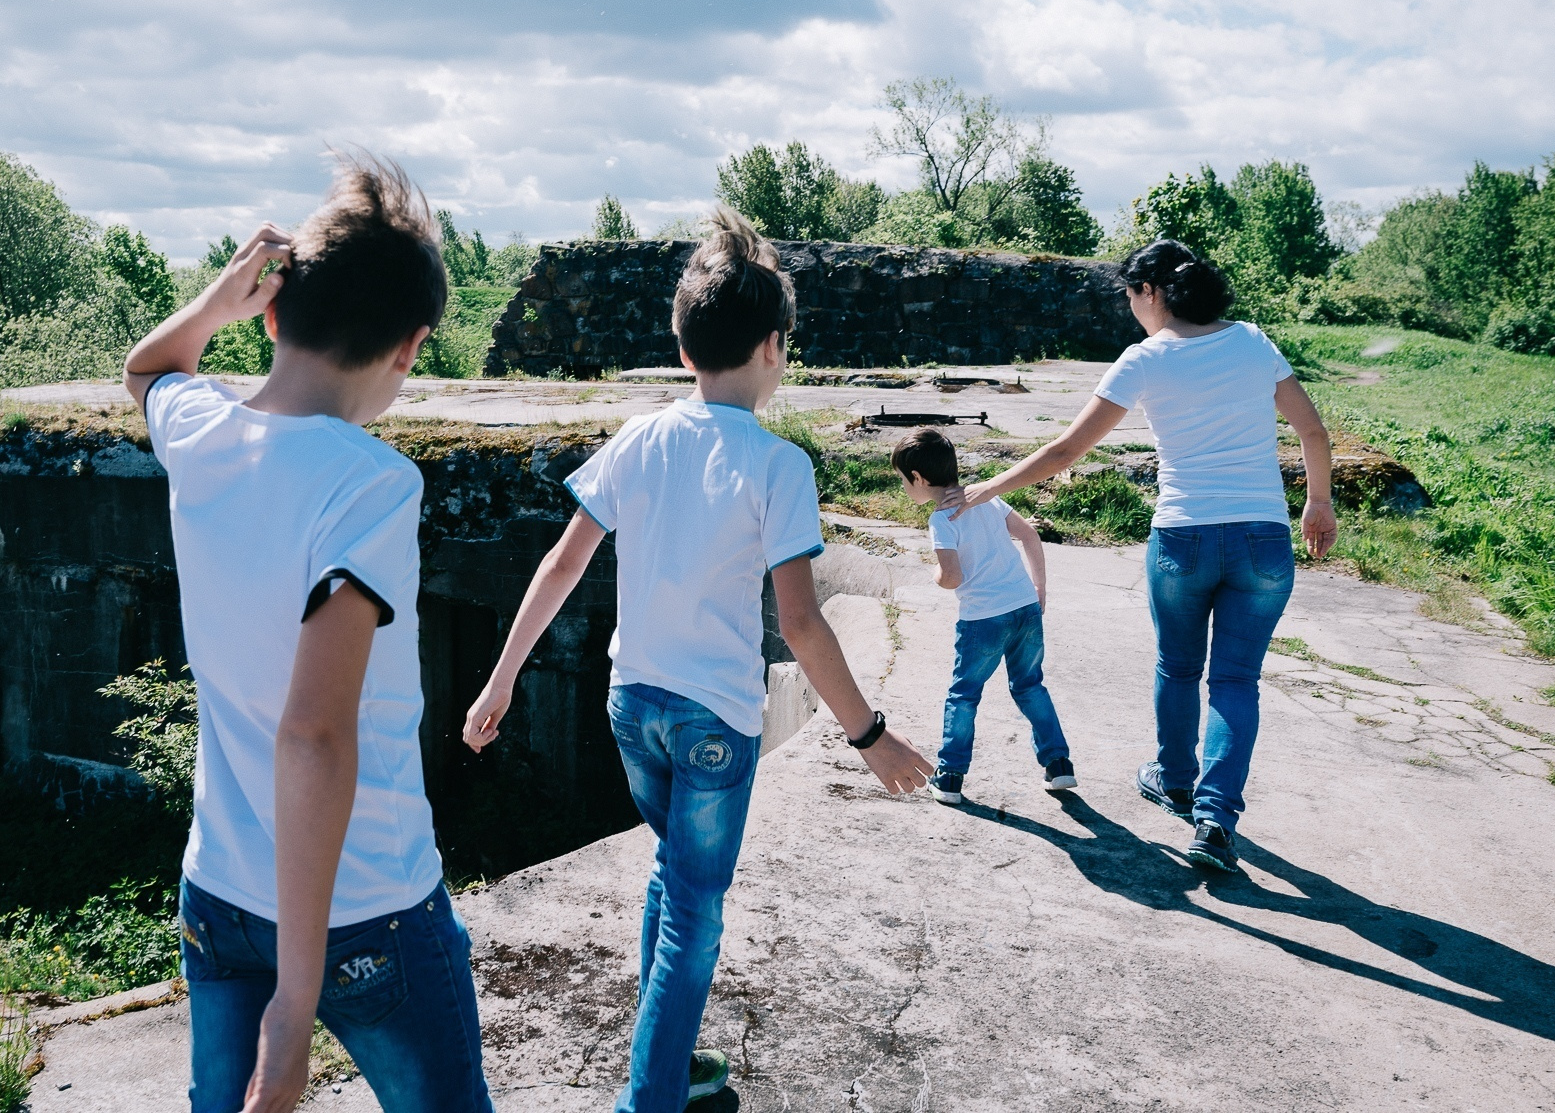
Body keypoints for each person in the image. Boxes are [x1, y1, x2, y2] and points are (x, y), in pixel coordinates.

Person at [459, 207, 932, 1111]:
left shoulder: (640, 439)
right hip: (714, 719)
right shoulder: (779, 465)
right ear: (775, 348)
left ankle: (665, 1066)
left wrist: (502, 676)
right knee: (696, 912)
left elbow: (562, 564)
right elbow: (800, 622)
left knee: (672, 875)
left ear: (683, 349)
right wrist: (869, 734)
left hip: (631, 703)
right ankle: (649, 1098)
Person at [123, 154, 494, 1113]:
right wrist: (298, 1002)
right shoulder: (369, 483)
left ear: (274, 311)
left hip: (219, 894)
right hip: (365, 909)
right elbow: (314, 734)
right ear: (411, 347)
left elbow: (150, 368)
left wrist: (216, 301)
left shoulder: (200, 429)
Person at [944, 238, 1336, 874]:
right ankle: (1214, 820)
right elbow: (1311, 430)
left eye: (1131, 297)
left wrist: (987, 488)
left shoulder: (1144, 359)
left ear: (1150, 293)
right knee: (1236, 679)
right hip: (1264, 535)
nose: (1132, 310)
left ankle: (1174, 779)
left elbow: (1067, 451)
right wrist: (1318, 502)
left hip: (1184, 534)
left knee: (1179, 666)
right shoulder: (1254, 342)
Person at [892, 427, 1076, 802]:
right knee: (1029, 686)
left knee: (963, 695)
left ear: (919, 478)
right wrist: (1040, 589)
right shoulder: (988, 500)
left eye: (902, 481)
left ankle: (951, 777)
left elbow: (951, 577)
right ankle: (1059, 765)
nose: (904, 488)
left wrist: (934, 573)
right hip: (1025, 607)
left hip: (983, 619)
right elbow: (1029, 536)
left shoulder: (941, 520)